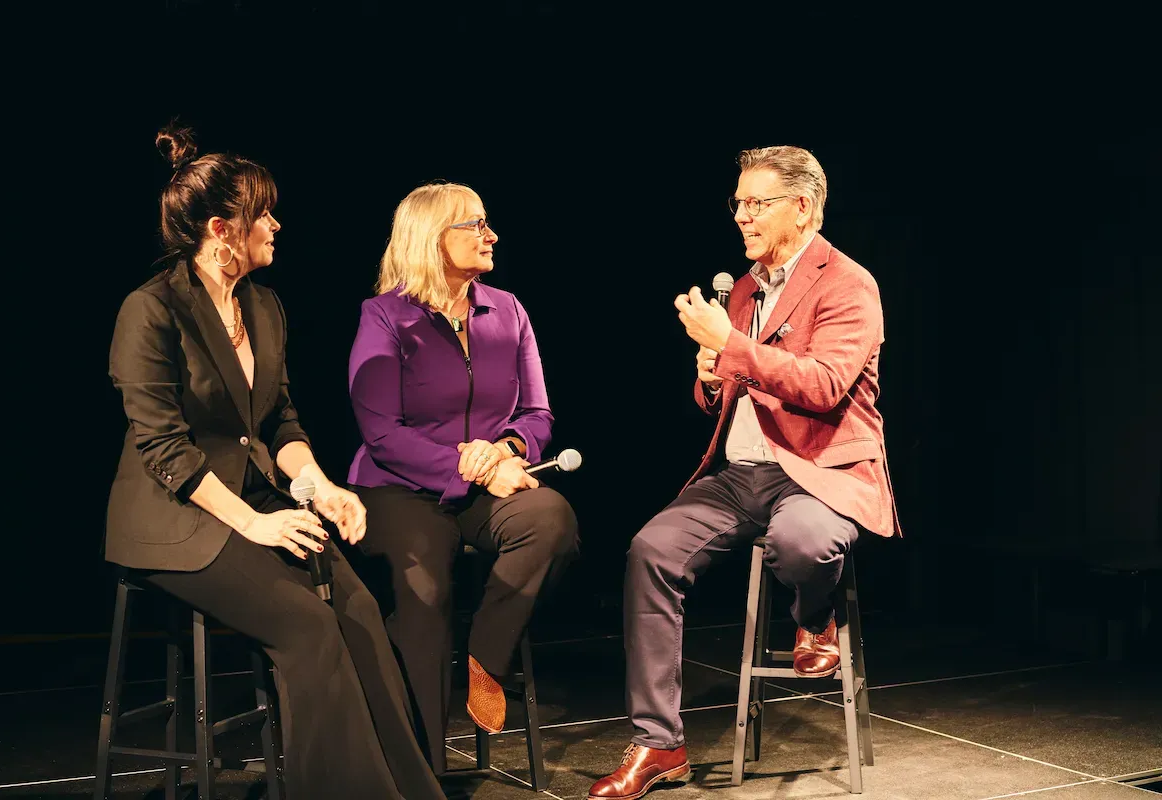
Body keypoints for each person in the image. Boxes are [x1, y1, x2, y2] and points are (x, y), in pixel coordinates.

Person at [105, 124, 446, 799]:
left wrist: (317, 485)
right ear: (221, 229)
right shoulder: (151, 310)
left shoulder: (262, 307)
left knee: (357, 608)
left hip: (258, 499)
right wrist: (256, 524)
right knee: (309, 626)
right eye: (263, 214)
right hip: (177, 521)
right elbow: (164, 448)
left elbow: (280, 420)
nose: (276, 225)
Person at [588, 146, 900, 800]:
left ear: (803, 207)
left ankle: (814, 616)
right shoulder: (745, 287)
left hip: (817, 470)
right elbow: (728, 393)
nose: (742, 216)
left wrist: (730, 346)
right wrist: (709, 378)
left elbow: (824, 385)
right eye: (738, 203)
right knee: (650, 551)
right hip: (739, 475)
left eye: (757, 203)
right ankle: (659, 741)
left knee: (803, 541)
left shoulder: (849, 284)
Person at [346, 181, 579, 775]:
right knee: (425, 594)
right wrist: (462, 463)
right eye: (474, 224)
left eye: (486, 222)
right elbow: (381, 433)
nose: (490, 234)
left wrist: (504, 450)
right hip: (397, 486)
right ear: (432, 238)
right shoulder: (385, 316)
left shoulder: (508, 309)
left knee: (551, 519)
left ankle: (486, 657)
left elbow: (537, 413)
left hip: (485, 484)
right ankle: (423, 768)